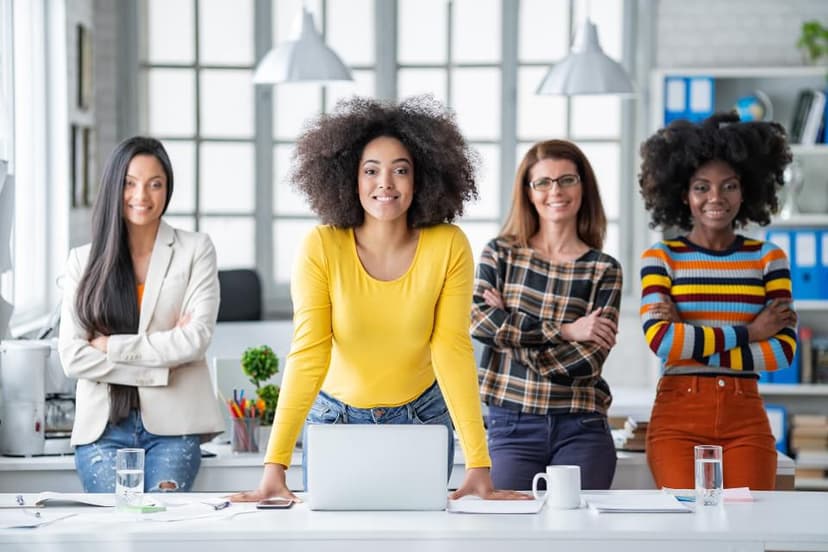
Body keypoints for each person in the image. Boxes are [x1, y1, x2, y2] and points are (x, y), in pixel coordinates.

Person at [230, 96, 526, 503]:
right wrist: (274, 466)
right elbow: (308, 353)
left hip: (422, 418)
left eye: (400, 170)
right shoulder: (321, 246)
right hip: (336, 420)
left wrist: (478, 462)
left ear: (420, 179)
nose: (385, 183)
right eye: (371, 171)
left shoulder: (449, 245)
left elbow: (453, 350)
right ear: (348, 178)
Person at [638, 112, 797, 490]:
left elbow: (782, 352)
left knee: (747, 531)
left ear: (746, 191)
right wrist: (751, 331)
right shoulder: (661, 258)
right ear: (683, 194)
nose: (715, 198)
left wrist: (692, 339)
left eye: (729, 186)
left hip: (745, 414)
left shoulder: (768, 258)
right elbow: (663, 342)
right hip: (678, 415)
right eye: (701, 187)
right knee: (686, 534)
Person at [58, 136, 224, 492]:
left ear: (168, 189)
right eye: (129, 184)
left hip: (174, 428)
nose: (142, 197)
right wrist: (162, 364)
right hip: (102, 430)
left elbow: (194, 341)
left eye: (155, 184)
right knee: (115, 538)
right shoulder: (82, 261)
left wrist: (110, 346)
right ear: (114, 187)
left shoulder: (195, 250)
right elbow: (73, 358)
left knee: (162, 532)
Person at [470, 139, 622, 491]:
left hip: (582, 426)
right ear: (528, 191)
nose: (556, 190)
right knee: (509, 536)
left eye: (567, 179)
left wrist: (508, 329)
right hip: (512, 424)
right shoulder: (501, 253)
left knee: (578, 540)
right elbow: (480, 323)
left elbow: (585, 364)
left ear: (584, 187)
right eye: (543, 182)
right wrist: (568, 331)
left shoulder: (603, 269)